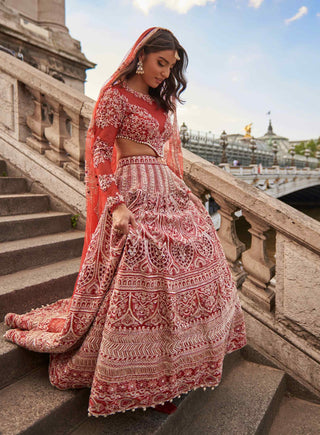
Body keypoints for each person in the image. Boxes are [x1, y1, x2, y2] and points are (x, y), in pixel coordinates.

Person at [4, 27, 246, 417]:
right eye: (160, 63)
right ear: (141, 56)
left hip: (167, 188)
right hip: (131, 189)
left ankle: (177, 368)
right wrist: (115, 204)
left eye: (171, 68)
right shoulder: (115, 96)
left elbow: (167, 156)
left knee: (201, 264)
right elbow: (100, 149)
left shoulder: (161, 103)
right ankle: (139, 374)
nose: (165, 74)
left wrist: (184, 198)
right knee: (147, 275)